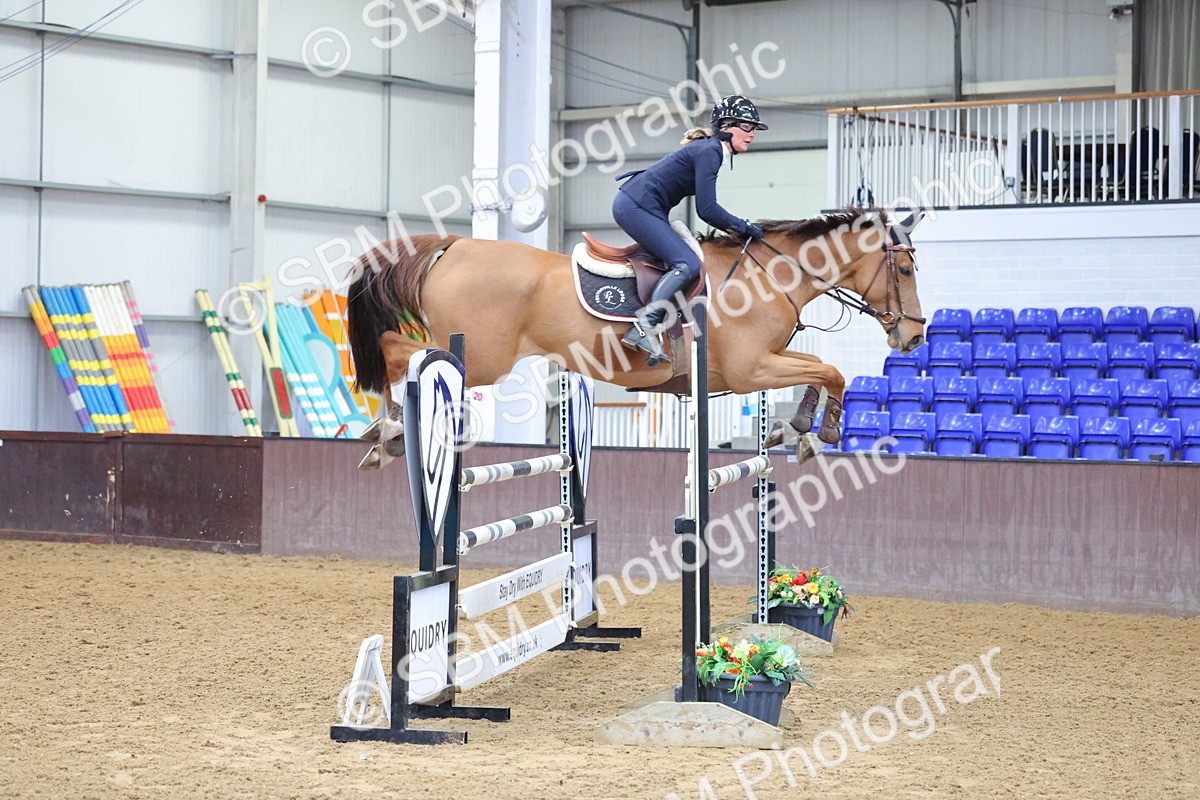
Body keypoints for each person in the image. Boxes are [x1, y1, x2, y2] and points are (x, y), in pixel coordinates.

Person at [612, 94, 767, 367]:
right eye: (746, 127)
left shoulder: (711, 150)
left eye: (754, 129)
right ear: (726, 126)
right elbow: (707, 210)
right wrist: (744, 227)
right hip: (636, 207)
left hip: (643, 207)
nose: (752, 134)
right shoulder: (711, 151)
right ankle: (645, 326)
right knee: (687, 263)